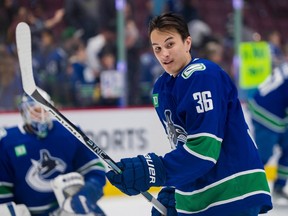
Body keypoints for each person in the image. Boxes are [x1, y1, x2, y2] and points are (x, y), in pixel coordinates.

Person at [106, 12, 273, 215]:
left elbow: (204, 150)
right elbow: (184, 144)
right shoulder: (161, 88)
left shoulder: (203, 75)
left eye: (170, 44)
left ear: (187, 43)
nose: (164, 54)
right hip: (202, 197)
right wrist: (174, 190)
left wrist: (151, 170)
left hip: (232, 191)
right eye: (157, 48)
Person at [0, 88, 106, 216]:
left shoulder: (69, 132)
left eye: (46, 109)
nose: (42, 115)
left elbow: (94, 169)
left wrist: (87, 193)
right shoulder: (8, 142)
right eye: (36, 111)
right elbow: (3, 187)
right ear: (24, 112)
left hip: (67, 209)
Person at [248, 62, 288, 205]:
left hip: (273, 108)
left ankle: (279, 187)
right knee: (264, 154)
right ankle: (248, 187)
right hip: (267, 111)